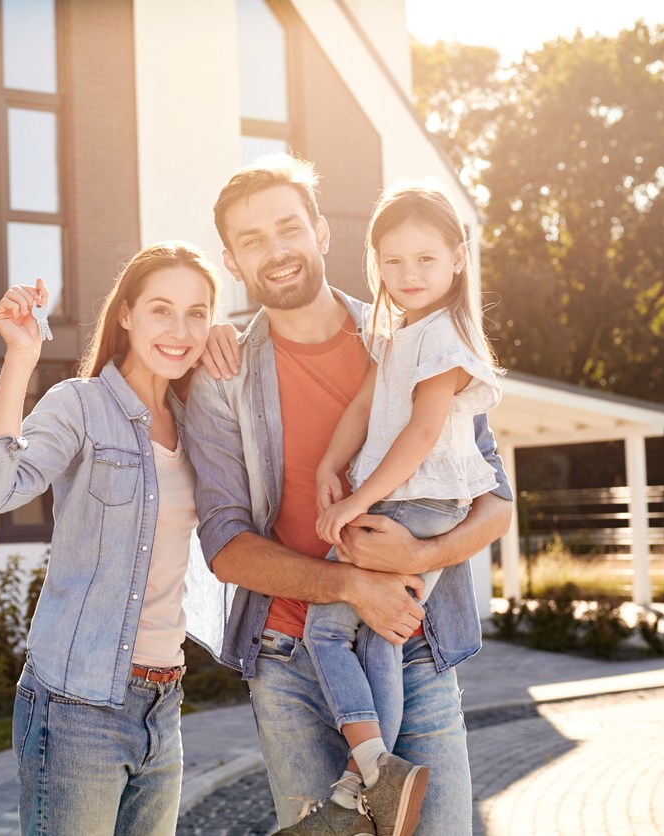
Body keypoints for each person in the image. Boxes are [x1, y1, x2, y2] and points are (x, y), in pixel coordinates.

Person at [183, 153, 513, 836]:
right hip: (290, 663)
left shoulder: (410, 332)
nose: (276, 251)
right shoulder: (223, 376)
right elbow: (224, 545)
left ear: (322, 232)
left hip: (412, 643)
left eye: (288, 228)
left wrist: (418, 554)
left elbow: (497, 501)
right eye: (253, 241)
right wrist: (349, 587)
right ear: (232, 261)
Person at [0, 242, 219, 835]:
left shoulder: (198, 421)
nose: (180, 330)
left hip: (164, 702)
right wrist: (21, 355)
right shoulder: (82, 405)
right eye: (161, 309)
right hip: (76, 702)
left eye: (197, 313)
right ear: (125, 314)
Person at [280, 184, 505, 836]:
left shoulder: (446, 338)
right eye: (394, 262)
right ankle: (377, 777)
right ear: (375, 262)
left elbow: (421, 433)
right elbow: (362, 410)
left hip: (418, 502)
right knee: (381, 630)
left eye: (426, 260)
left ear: (458, 258)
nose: (409, 275)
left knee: (325, 633)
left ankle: (370, 779)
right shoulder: (399, 333)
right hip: (413, 500)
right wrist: (329, 464)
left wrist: (357, 497)